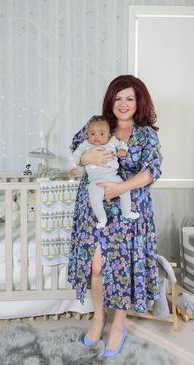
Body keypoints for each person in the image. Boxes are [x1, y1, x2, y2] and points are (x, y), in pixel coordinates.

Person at [68, 74, 162, 357]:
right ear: (111, 100)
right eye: (118, 98)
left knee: (122, 270)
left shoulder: (146, 134)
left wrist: (120, 187)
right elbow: (74, 155)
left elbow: (152, 171)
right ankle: (99, 317)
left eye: (129, 98)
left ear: (138, 101)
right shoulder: (97, 125)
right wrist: (86, 159)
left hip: (128, 206)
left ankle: (118, 325)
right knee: (96, 267)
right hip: (94, 206)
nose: (123, 104)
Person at [69, 115, 139, 228]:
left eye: (101, 134)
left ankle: (127, 212)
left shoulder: (112, 142)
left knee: (125, 190)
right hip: (95, 180)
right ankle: (102, 218)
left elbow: (122, 144)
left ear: (109, 135)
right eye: (92, 134)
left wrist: (122, 150)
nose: (96, 137)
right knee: (94, 197)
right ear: (88, 134)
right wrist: (73, 167)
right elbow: (75, 155)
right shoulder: (85, 145)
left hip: (113, 176)